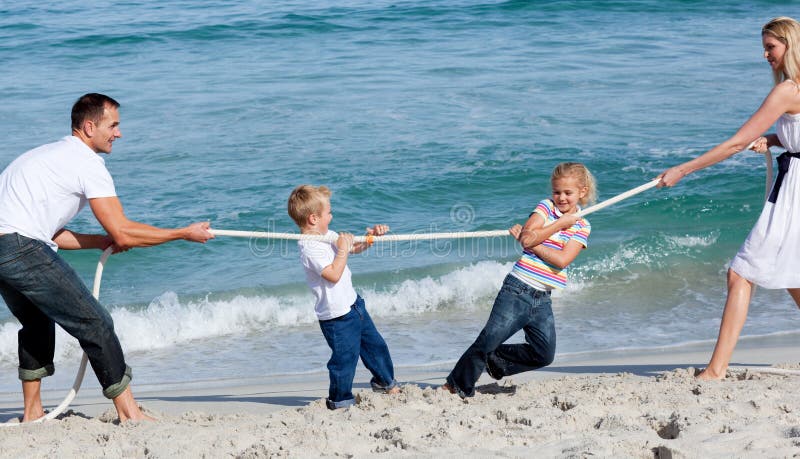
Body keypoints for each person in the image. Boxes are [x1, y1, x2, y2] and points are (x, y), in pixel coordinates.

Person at [0, 93, 214, 422]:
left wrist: (100, 241)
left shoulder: (49, 154)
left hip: (7, 246)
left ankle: (32, 413)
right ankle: (130, 413)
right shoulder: (87, 163)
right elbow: (125, 231)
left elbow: (51, 234)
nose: (119, 133)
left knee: (37, 322)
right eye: (112, 125)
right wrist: (182, 233)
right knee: (96, 323)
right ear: (89, 127)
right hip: (19, 245)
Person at [659, 17, 800, 380]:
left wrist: (684, 170)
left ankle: (716, 370)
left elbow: (736, 143)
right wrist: (775, 139)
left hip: (794, 191)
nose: (765, 54)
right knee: (791, 273)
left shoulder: (788, 90)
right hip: (792, 184)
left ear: (789, 45)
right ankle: (717, 367)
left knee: (741, 273)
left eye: (771, 47)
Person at [442, 162, 596, 397]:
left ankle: (496, 362)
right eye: (557, 192)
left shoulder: (582, 226)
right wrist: (557, 225)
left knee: (544, 354)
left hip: (543, 297)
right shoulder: (546, 208)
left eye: (568, 193)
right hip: (518, 289)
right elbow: (526, 239)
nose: (561, 198)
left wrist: (534, 242)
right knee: (488, 339)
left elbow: (562, 260)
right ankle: (455, 384)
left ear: (582, 192)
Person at [287, 185, 400, 409]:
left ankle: (385, 382)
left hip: (354, 305)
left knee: (375, 346)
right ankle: (340, 400)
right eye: (328, 212)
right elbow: (333, 274)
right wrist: (341, 249)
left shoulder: (325, 234)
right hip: (336, 316)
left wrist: (369, 238)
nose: (332, 215)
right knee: (344, 360)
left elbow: (352, 249)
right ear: (313, 218)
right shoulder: (309, 247)